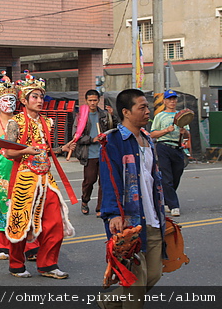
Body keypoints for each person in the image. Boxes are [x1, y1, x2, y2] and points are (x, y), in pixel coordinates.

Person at [3, 70, 75, 279]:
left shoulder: (46, 122)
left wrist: (63, 148)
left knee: (56, 221)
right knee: (20, 221)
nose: (39, 100)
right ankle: (16, 264)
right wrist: (25, 150)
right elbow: (8, 152)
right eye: (34, 96)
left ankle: (48, 264)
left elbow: (46, 150)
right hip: (25, 177)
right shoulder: (15, 122)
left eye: (41, 96)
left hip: (46, 179)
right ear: (24, 100)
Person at [98, 89, 166, 309]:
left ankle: (108, 301)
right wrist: (114, 213)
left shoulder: (147, 139)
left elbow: (153, 181)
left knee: (153, 275)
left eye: (147, 107)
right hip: (129, 221)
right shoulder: (114, 141)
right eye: (142, 107)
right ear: (126, 112)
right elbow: (109, 179)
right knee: (135, 285)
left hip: (153, 218)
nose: (148, 111)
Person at [0, 72, 40, 261]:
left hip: (22, 170)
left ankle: (29, 243)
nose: (9, 104)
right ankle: (3, 244)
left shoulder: (23, 122)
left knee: (24, 206)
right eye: (5, 100)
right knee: (0, 209)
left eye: (12, 99)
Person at [70, 89, 117, 217]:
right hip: (89, 153)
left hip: (104, 153)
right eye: (90, 100)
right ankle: (85, 200)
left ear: (98, 101)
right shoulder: (81, 115)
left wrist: (112, 116)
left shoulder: (104, 114)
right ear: (86, 101)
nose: (92, 103)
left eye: (95, 100)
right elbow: (76, 135)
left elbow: (114, 129)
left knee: (104, 181)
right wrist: (92, 139)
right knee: (89, 181)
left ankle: (100, 207)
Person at [149, 89, 189, 217]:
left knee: (176, 176)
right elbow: (152, 134)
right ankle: (174, 206)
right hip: (163, 147)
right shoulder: (159, 116)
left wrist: (184, 132)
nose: (172, 101)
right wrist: (166, 130)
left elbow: (188, 134)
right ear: (165, 101)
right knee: (167, 178)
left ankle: (167, 200)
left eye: (174, 99)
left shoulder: (181, 115)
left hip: (177, 148)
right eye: (169, 99)